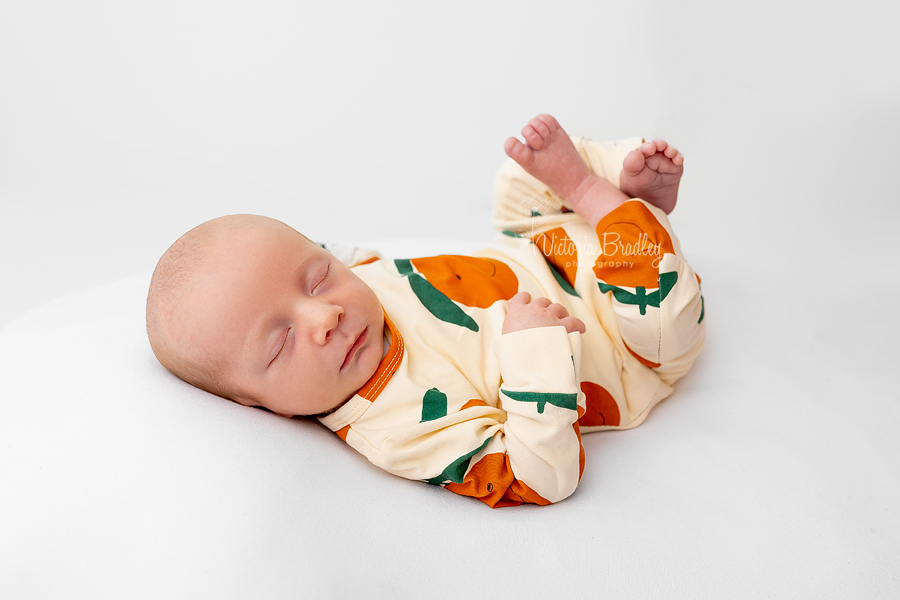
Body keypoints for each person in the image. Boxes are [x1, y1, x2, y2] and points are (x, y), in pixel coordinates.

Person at [146, 114, 705, 507]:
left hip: (542, 248)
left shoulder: (349, 285)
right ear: (257, 406)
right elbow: (541, 478)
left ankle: (616, 207)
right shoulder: (398, 426)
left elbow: (291, 255)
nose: (324, 318)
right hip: (627, 343)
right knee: (663, 308)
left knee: (517, 181)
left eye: (316, 278)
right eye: (281, 342)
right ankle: (602, 199)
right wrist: (534, 353)